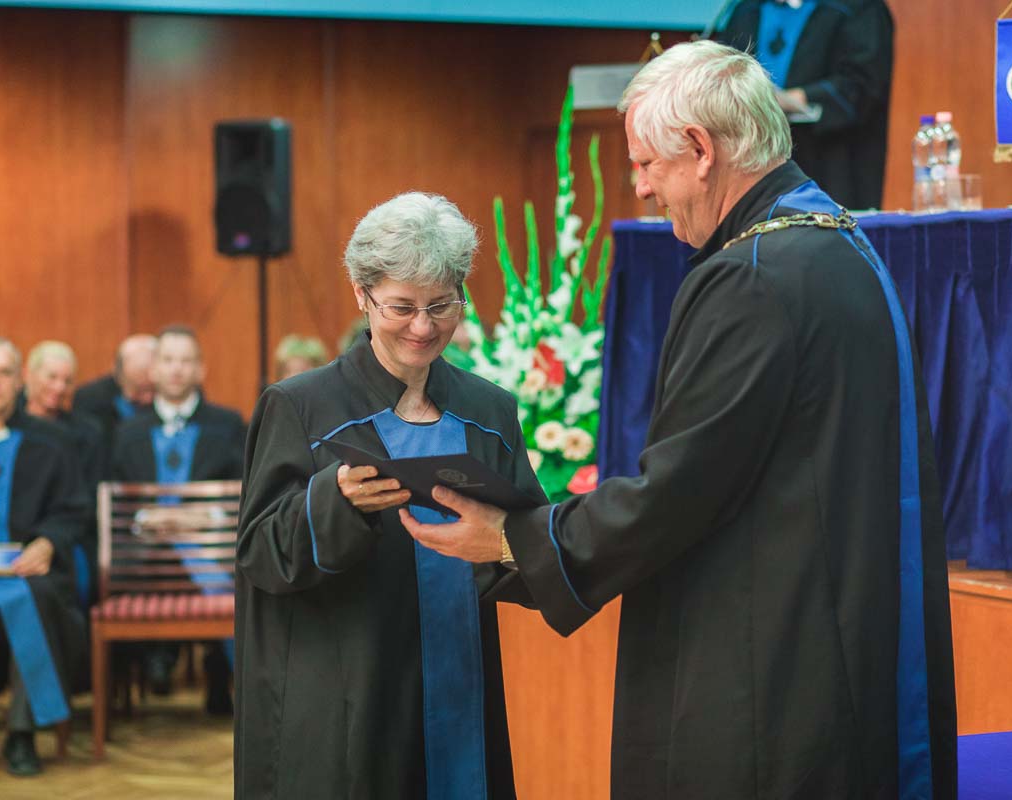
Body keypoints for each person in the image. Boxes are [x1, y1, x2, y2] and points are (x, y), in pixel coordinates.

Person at [399, 41, 957, 799]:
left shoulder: (753, 278)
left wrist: (513, 539)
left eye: (645, 164)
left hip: (771, 668)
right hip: (846, 630)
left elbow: (678, 491)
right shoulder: (839, 245)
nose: (640, 188)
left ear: (700, 149)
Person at [236, 192, 544, 798]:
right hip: (349, 684)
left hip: (459, 675)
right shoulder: (300, 407)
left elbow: (526, 536)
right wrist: (334, 498)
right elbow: (259, 553)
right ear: (362, 294)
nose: (423, 328)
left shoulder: (489, 410)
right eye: (402, 307)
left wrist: (512, 543)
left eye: (441, 305)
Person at [0, 337, 88, 777]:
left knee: (39, 601)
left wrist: (47, 542)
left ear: (19, 380)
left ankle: (22, 733)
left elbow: (74, 509)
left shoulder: (53, 441)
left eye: (4, 372)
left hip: (26, 567)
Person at [110, 324, 244, 713]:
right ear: (153, 369)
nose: (176, 369)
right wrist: (146, 518)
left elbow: (245, 489)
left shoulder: (228, 425)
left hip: (212, 548)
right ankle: (152, 655)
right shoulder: (127, 431)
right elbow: (114, 493)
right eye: (168, 360)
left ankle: (210, 668)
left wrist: (206, 516)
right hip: (144, 556)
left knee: (234, 568)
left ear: (201, 369)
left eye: (186, 361)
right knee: (136, 560)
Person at [716, 0, 894, 210]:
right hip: (753, 165)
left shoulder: (859, 8)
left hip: (830, 163)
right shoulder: (746, 10)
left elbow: (864, 84)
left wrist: (794, 99)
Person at [23, 340, 106, 606]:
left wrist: (51, 537)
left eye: (67, 381)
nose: (59, 387)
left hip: (68, 537)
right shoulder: (7, 427)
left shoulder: (88, 433)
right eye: (52, 377)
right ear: (28, 375)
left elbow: (87, 500)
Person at [73, 333, 157, 451]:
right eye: (139, 390)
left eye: (153, 389)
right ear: (118, 375)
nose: (148, 398)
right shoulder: (91, 399)